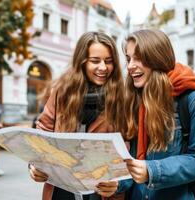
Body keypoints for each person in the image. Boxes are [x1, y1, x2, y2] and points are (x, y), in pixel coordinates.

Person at [96, 29, 195, 199]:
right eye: (129, 58)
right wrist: (117, 183)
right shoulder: (135, 99)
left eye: (138, 58)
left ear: (157, 57)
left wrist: (153, 171)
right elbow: (133, 160)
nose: (130, 66)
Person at [28, 32, 125, 200]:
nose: (103, 67)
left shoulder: (122, 97)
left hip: (103, 192)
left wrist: (120, 183)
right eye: (95, 61)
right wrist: (34, 166)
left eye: (108, 61)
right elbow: (41, 133)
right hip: (61, 190)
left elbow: (129, 149)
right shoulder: (62, 92)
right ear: (82, 62)